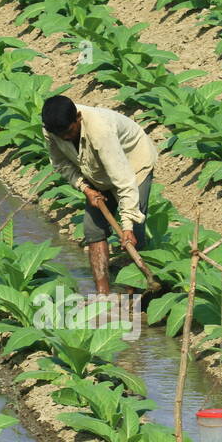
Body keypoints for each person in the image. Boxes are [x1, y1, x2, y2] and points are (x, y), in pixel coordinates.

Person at [41, 96, 157, 294]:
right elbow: (60, 163)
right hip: (95, 171)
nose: (66, 138)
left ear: (78, 118)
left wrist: (127, 226)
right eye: (60, 136)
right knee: (93, 229)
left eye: (69, 132)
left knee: (134, 233)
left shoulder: (100, 130)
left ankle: (134, 293)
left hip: (133, 165)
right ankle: (102, 293)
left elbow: (124, 180)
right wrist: (85, 188)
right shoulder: (52, 129)